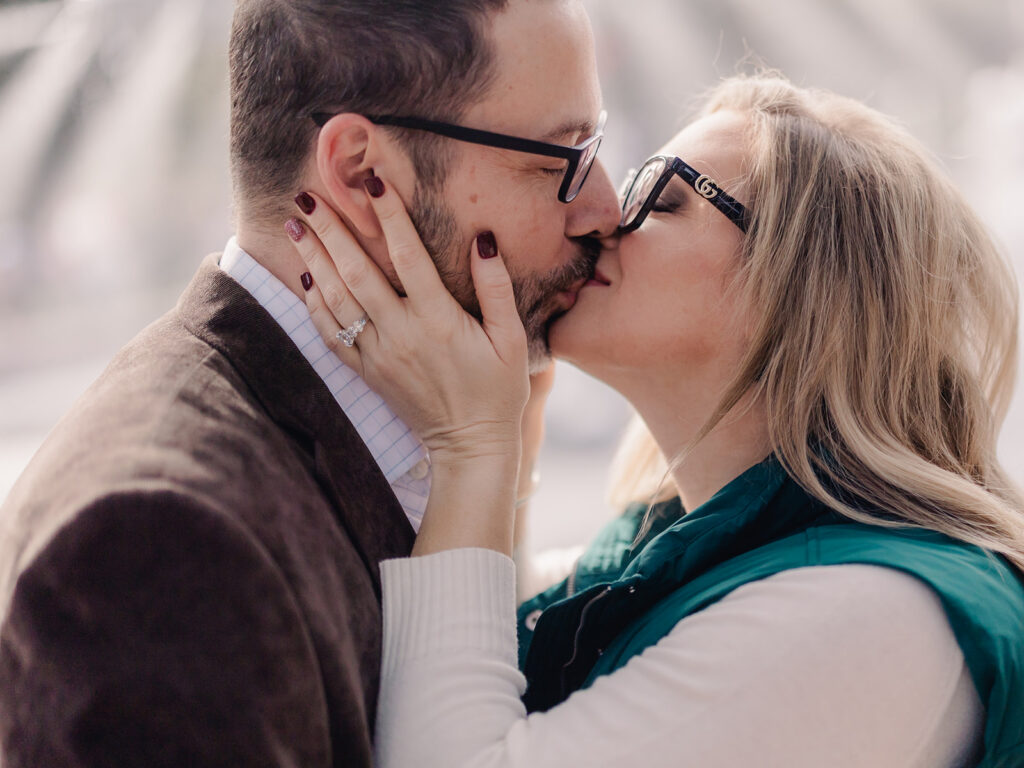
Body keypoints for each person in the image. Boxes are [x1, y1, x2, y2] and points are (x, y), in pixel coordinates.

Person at [290, 73, 1024, 767]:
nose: (604, 213)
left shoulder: (868, 616)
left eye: (663, 198)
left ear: (807, 288)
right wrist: (508, 436)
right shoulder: (681, 540)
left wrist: (471, 448)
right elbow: (475, 654)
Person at [0, 1, 619, 765]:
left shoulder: (389, 426)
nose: (605, 208)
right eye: (560, 161)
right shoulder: (157, 542)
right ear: (363, 173)